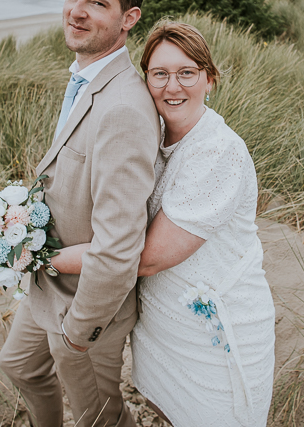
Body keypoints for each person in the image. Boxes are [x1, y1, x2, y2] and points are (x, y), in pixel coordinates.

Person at [52, 21, 276, 427]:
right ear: (146, 81)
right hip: (163, 326)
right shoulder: (155, 137)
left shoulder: (219, 151)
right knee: (169, 410)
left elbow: (149, 258)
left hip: (213, 334)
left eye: (187, 73)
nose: (173, 86)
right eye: (160, 74)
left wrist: (47, 258)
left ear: (209, 79)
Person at [0, 0, 160, 427]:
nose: (77, 11)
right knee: (20, 365)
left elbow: (119, 248)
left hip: (85, 306)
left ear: (129, 18)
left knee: (99, 418)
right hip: (49, 284)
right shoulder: (86, 79)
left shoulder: (125, 109)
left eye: (96, 2)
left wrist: (77, 334)